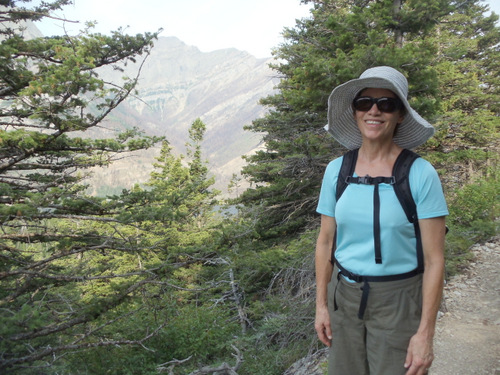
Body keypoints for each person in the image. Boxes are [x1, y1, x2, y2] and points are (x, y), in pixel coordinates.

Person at [314, 66, 448, 375]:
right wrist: (321, 305)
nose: (375, 110)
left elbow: (435, 259)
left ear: (401, 114)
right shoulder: (337, 170)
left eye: (387, 104)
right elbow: (324, 242)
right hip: (343, 297)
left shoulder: (419, 173)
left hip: (399, 301)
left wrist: (425, 334)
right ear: (355, 111)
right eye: (365, 102)